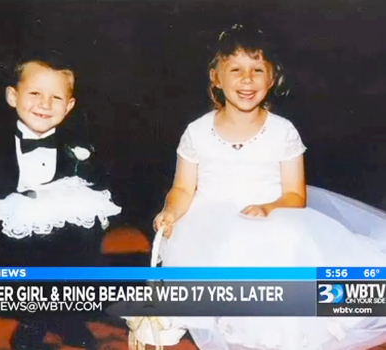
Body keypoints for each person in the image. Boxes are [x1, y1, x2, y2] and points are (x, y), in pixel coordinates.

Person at [153, 25, 386, 350]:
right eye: (236, 70)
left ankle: (285, 336)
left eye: (257, 70)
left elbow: (295, 194)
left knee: (283, 240)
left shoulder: (282, 131)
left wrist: (269, 209)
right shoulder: (197, 131)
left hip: (272, 214)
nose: (247, 80)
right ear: (216, 78)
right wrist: (171, 212)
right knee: (229, 249)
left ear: (273, 78)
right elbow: (182, 189)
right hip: (209, 224)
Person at [0, 51, 121, 349]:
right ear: (12, 96)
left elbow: (100, 187)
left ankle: (66, 315)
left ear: (69, 107)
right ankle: (36, 318)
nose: (45, 104)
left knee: (82, 236)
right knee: (26, 248)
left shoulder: (80, 146)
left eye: (56, 98)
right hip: (13, 233)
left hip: (65, 236)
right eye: (34, 93)